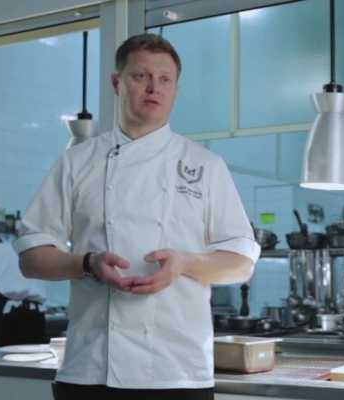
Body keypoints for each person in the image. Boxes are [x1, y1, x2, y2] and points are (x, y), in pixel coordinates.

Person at [14, 33, 259, 400]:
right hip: (91, 369)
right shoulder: (77, 162)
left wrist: (184, 263)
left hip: (179, 373)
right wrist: (88, 263)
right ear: (117, 83)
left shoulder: (205, 165)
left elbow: (240, 264)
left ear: (175, 89)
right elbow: (32, 259)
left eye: (165, 79)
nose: (153, 88)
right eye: (140, 76)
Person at [0, 235, 46, 346]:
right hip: (35, 312)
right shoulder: (20, 249)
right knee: (35, 351)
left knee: (4, 352)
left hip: (6, 312)